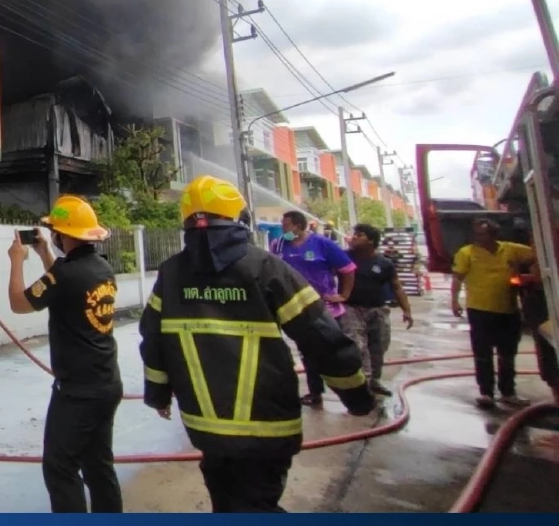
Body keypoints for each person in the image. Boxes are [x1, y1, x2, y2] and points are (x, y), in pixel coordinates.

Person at [141, 176, 375, 513]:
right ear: (240, 218)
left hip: (205, 425)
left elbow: (153, 338)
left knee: (229, 503)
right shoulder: (265, 268)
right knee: (255, 505)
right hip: (266, 425)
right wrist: (356, 396)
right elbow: (320, 336)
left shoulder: (171, 273)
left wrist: (158, 394)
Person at [7, 195, 123, 514]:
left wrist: (17, 261)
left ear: (63, 235)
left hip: (77, 393)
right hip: (106, 384)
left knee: (60, 468)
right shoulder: (102, 268)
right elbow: (63, 284)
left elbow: (19, 303)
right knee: (99, 465)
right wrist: (44, 252)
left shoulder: (65, 274)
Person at [275, 210, 356, 408]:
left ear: (298, 226)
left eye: (286, 226)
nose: (283, 229)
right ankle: (315, 392)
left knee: (334, 352)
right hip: (297, 309)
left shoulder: (322, 244)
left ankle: (353, 392)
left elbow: (348, 269)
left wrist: (344, 295)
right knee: (307, 353)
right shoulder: (279, 245)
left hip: (325, 309)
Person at [452, 218, 531, 408]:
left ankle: (508, 392)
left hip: (508, 310)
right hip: (479, 310)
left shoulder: (511, 249)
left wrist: (521, 272)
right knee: (482, 353)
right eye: (477, 235)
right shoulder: (466, 253)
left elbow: (535, 255)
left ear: (494, 235)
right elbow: (458, 278)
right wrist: (454, 301)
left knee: (507, 353)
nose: (479, 238)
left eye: (483, 235)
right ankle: (486, 392)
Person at [342, 223, 414, 396]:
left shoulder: (384, 263)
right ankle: (363, 386)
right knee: (358, 347)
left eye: (360, 235)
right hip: (352, 309)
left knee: (379, 346)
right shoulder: (343, 258)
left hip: (378, 310)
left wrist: (407, 310)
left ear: (371, 240)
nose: (354, 237)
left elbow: (397, 287)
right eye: (354, 234)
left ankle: (374, 381)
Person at [513, 256, 559, 403]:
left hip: (544, 304)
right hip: (542, 306)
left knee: (548, 351)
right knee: (548, 351)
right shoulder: (536, 296)